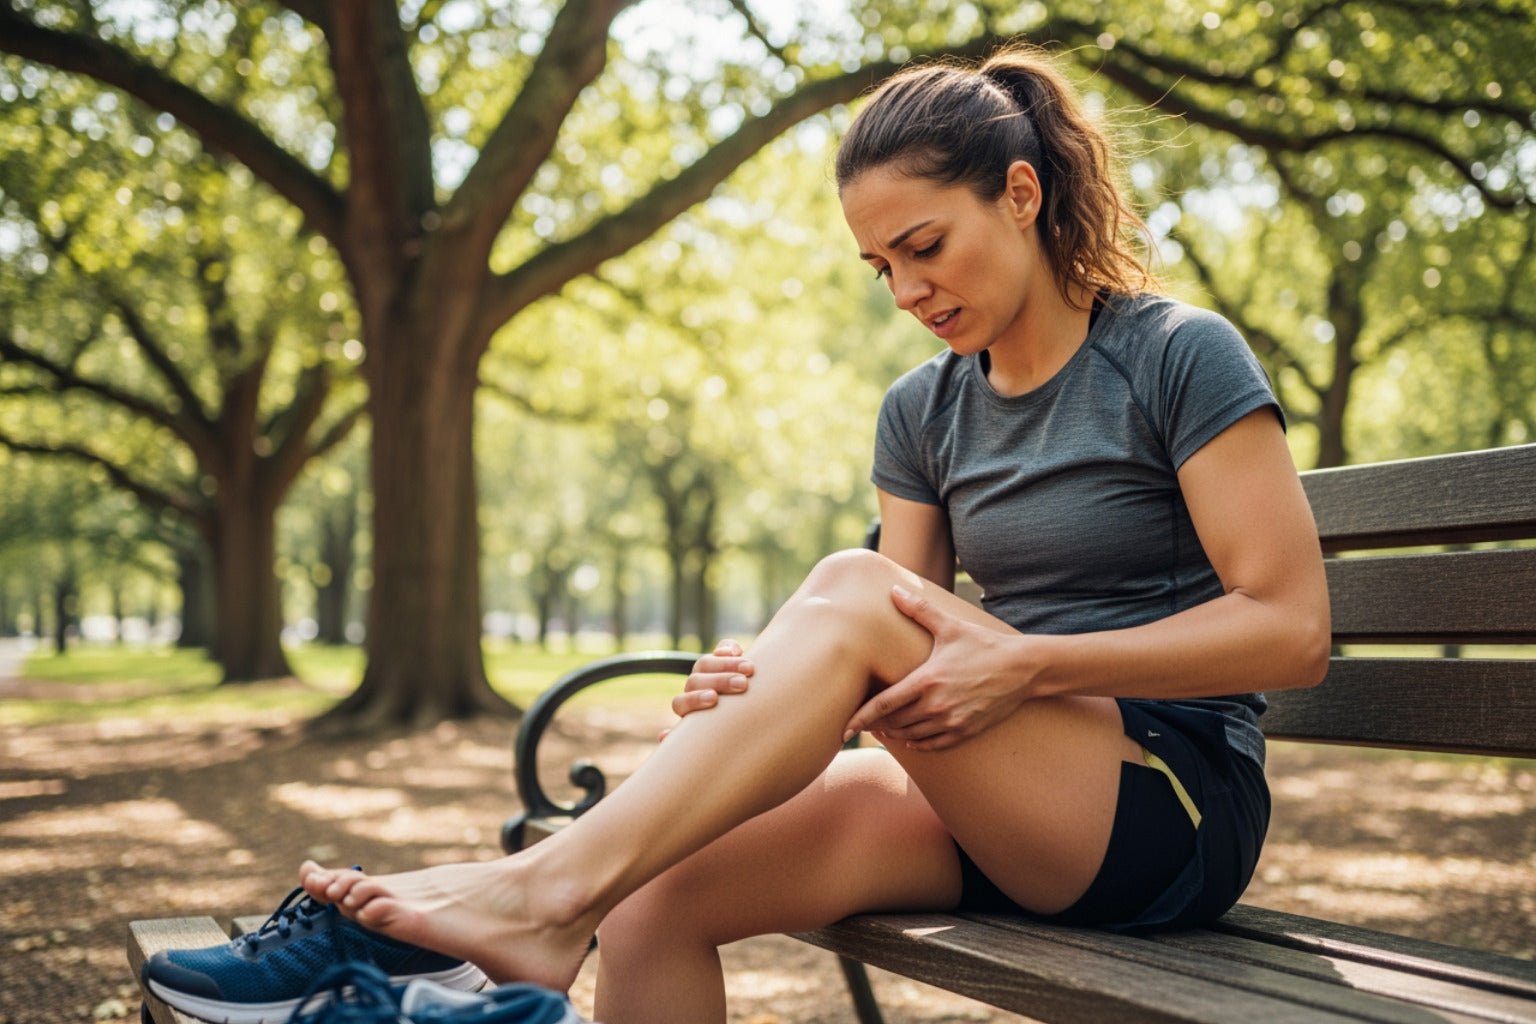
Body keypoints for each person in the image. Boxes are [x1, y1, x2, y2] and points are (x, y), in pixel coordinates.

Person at [297, 44, 1329, 1023]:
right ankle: (562, 894)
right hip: (988, 791)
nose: (908, 292)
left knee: (855, 586)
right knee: (652, 891)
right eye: (881, 266)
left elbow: (1291, 632)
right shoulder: (923, 410)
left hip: (1169, 802)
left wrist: (1030, 664)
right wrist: (756, 691)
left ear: (1021, 195)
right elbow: (887, 650)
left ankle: (537, 892)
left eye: (924, 247)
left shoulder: (1176, 356)